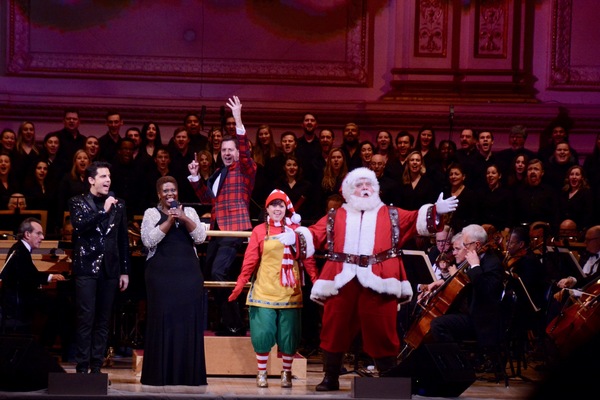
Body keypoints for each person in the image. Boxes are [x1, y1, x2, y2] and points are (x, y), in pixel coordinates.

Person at [282, 167, 458, 391]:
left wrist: (436, 211)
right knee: (333, 326)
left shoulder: (391, 214)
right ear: (348, 191)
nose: (365, 189)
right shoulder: (336, 215)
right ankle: (331, 376)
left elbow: (416, 219)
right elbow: (315, 233)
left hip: (380, 279)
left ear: (376, 189)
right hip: (341, 279)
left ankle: (387, 377)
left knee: (382, 329)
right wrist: (295, 236)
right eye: (359, 185)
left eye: (369, 185)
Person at [228, 189, 318, 388]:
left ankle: (286, 372)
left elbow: (308, 258)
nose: (277, 209)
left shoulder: (297, 230)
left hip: (290, 292)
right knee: (262, 333)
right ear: (266, 208)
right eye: (273, 205)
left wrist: (316, 279)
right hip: (264, 290)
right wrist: (240, 283)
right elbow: (250, 260)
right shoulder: (259, 231)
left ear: (286, 208)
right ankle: (262, 373)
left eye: (281, 205)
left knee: (289, 335)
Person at [187, 96, 256, 336]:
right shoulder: (218, 173)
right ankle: (228, 321)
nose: (227, 153)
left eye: (231, 150)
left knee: (218, 273)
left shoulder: (246, 169)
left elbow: (246, 151)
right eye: (224, 150)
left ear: (238, 153)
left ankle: (235, 323)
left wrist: (237, 119)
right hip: (216, 230)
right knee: (210, 275)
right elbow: (208, 199)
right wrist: (195, 177)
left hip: (235, 229)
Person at [139, 176, 208, 386]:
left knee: (187, 321)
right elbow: (148, 240)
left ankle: (188, 375)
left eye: (173, 190)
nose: (170, 194)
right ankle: (159, 374)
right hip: (161, 276)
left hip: (188, 276)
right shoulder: (152, 213)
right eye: (166, 191)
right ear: (159, 194)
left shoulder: (190, 212)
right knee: (163, 321)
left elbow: (200, 237)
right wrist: (169, 220)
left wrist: (184, 218)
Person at [68, 161, 130, 374]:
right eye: (103, 176)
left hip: (110, 268)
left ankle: (96, 367)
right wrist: (102, 212)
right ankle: (82, 366)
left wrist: (124, 270)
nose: (108, 180)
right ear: (91, 180)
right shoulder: (77, 202)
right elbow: (79, 227)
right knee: (86, 317)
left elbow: (122, 239)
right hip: (86, 265)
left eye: (109, 176)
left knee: (104, 320)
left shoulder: (119, 204)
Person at [427, 224, 505, 360]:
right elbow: (464, 284)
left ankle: (458, 362)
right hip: (469, 312)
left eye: (466, 244)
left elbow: (486, 292)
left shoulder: (492, 263)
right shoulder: (475, 259)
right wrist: (444, 282)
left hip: (481, 320)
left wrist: (475, 266)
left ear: (477, 244)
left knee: (439, 324)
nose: (463, 247)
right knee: (434, 318)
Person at [0, 217, 65, 332]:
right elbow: (27, 276)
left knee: (59, 306)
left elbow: (28, 273)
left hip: (22, 297)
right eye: (38, 233)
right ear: (27, 234)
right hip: (19, 301)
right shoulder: (20, 251)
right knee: (61, 307)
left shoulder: (20, 248)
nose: (42, 237)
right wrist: (50, 277)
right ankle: (46, 344)